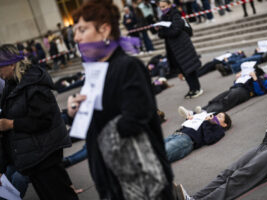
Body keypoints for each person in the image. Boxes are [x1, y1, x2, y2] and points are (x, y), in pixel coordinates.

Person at [72, 0, 174, 199]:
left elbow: (133, 120)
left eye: (82, 30)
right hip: (112, 182)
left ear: (104, 30)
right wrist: (77, 111)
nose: (76, 37)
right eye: (75, 31)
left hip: (142, 183)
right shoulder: (96, 71)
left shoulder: (128, 66)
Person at [0, 44, 77, 199]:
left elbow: (44, 119)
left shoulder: (33, 82)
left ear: (11, 64)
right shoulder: (12, 84)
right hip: (33, 155)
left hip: (45, 153)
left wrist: (11, 124)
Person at [183, 67, 267, 114]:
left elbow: (260, 91)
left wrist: (255, 78)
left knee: (226, 101)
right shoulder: (262, 77)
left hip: (246, 92)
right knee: (217, 98)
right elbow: (242, 81)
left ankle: (204, 113)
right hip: (238, 87)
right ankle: (197, 111)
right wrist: (238, 78)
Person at [157, 0, 203, 99]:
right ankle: (191, 89)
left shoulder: (175, 14)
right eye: (161, 7)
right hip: (173, 48)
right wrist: (160, 30)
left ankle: (197, 88)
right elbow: (161, 35)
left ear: (169, 5)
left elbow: (175, 31)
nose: (162, 9)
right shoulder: (163, 17)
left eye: (164, 6)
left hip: (183, 46)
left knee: (190, 68)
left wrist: (164, 31)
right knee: (183, 69)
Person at [165, 112, 232, 163]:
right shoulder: (206, 120)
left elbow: (209, 139)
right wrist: (190, 118)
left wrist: (207, 122)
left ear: (224, 124)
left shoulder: (219, 129)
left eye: (219, 117)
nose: (215, 117)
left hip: (186, 140)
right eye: (216, 115)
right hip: (176, 134)